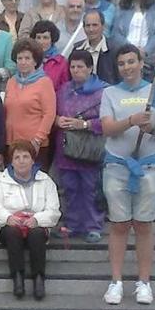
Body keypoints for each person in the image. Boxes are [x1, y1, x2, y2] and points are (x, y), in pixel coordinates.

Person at [100, 45, 155, 306]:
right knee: (119, 225)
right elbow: (107, 128)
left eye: (132, 62)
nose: (127, 67)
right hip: (117, 167)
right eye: (122, 63)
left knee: (144, 225)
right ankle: (116, 281)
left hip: (148, 167)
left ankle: (144, 282)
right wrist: (131, 120)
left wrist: (151, 125)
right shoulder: (109, 93)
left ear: (141, 63)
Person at [0, 140, 61, 300]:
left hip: (36, 226)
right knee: (12, 232)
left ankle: (38, 279)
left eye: (25, 156)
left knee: (36, 234)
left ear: (33, 160)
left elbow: (54, 211)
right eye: (17, 157)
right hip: (9, 227)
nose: (21, 160)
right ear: (12, 161)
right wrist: (8, 217)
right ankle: (18, 278)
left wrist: (37, 219)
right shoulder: (0, 181)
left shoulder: (46, 181)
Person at [53, 50, 107, 243]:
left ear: (90, 68)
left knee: (90, 188)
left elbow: (109, 121)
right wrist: (58, 120)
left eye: (80, 67)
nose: (76, 71)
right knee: (70, 188)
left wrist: (85, 124)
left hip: (90, 148)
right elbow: (52, 112)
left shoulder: (103, 92)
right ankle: (73, 223)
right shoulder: (63, 90)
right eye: (73, 67)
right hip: (66, 148)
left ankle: (93, 226)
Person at [4, 38, 57, 170]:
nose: (23, 62)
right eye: (19, 58)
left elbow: (49, 114)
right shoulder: (11, 82)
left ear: (35, 61)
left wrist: (37, 140)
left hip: (34, 146)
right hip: (12, 144)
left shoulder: (44, 82)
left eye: (27, 58)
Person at [73, 10, 120, 84]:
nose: (91, 29)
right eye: (88, 25)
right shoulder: (77, 49)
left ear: (103, 26)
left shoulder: (115, 50)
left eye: (95, 25)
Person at [31, 20, 69, 92]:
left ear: (52, 39)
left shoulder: (61, 63)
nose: (41, 42)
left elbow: (65, 90)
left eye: (45, 38)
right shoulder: (28, 59)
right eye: (38, 38)